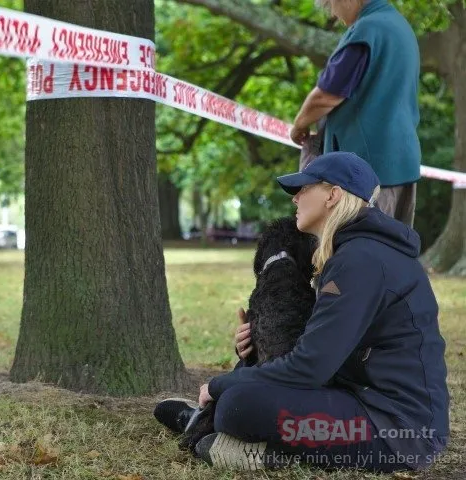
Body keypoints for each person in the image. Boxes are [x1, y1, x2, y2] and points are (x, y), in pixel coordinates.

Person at [154, 152, 449, 472]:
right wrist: (251, 351)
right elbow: (328, 347)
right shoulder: (358, 252)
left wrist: (218, 385)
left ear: (333, 196)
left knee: (237, 406)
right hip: (372, 405)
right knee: (243, 386)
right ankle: (209, 424)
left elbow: (310, 368)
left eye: (304, 188)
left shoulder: (360, 261)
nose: (295, 198)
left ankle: (255, 447)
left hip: (397, 433)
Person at [290, 0, 421, 227]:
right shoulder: (401, 27)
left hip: (367, 173)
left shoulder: (367, 29)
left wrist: (300, 123)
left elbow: (327, 95)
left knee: (362, 254)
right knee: (395, 253)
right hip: (402, 165)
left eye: (330, 4)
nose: (332, 13)